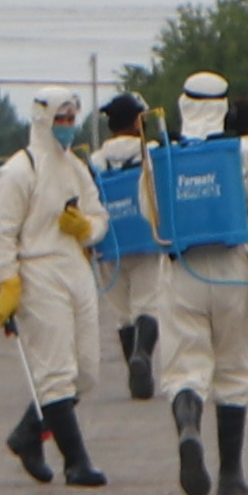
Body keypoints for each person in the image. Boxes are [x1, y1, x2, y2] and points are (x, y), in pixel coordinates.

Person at [143, 69, 248, 495]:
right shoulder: (241, 153)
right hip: (232, 269)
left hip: (182, 270)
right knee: (234, 368)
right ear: (224, 109)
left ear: (183, 105)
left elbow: (153, 219)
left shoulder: (160, 154)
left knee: (186, 366)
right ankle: (232, 475)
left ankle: (187, 427)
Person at [0, 88, 115, 491]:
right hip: (38, 272)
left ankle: (29, 434)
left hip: (75, 266)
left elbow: (99, 214)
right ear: (42, 119)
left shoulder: (75, 166)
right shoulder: (17, 172)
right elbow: (1, 234)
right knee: (56, 372)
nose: (67, 126)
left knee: (86, 371)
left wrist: (88, 229)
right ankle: (76, 462)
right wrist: (8, 283)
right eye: (60, 119)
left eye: (72, 118)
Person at [90, 91, 164, 405]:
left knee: (123, 314)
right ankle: (143, 354)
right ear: (137, 121)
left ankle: (133, 371)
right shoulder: (151, 152)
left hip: (110, 241)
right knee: (147, 304)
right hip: (146, 237)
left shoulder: (94, 160)